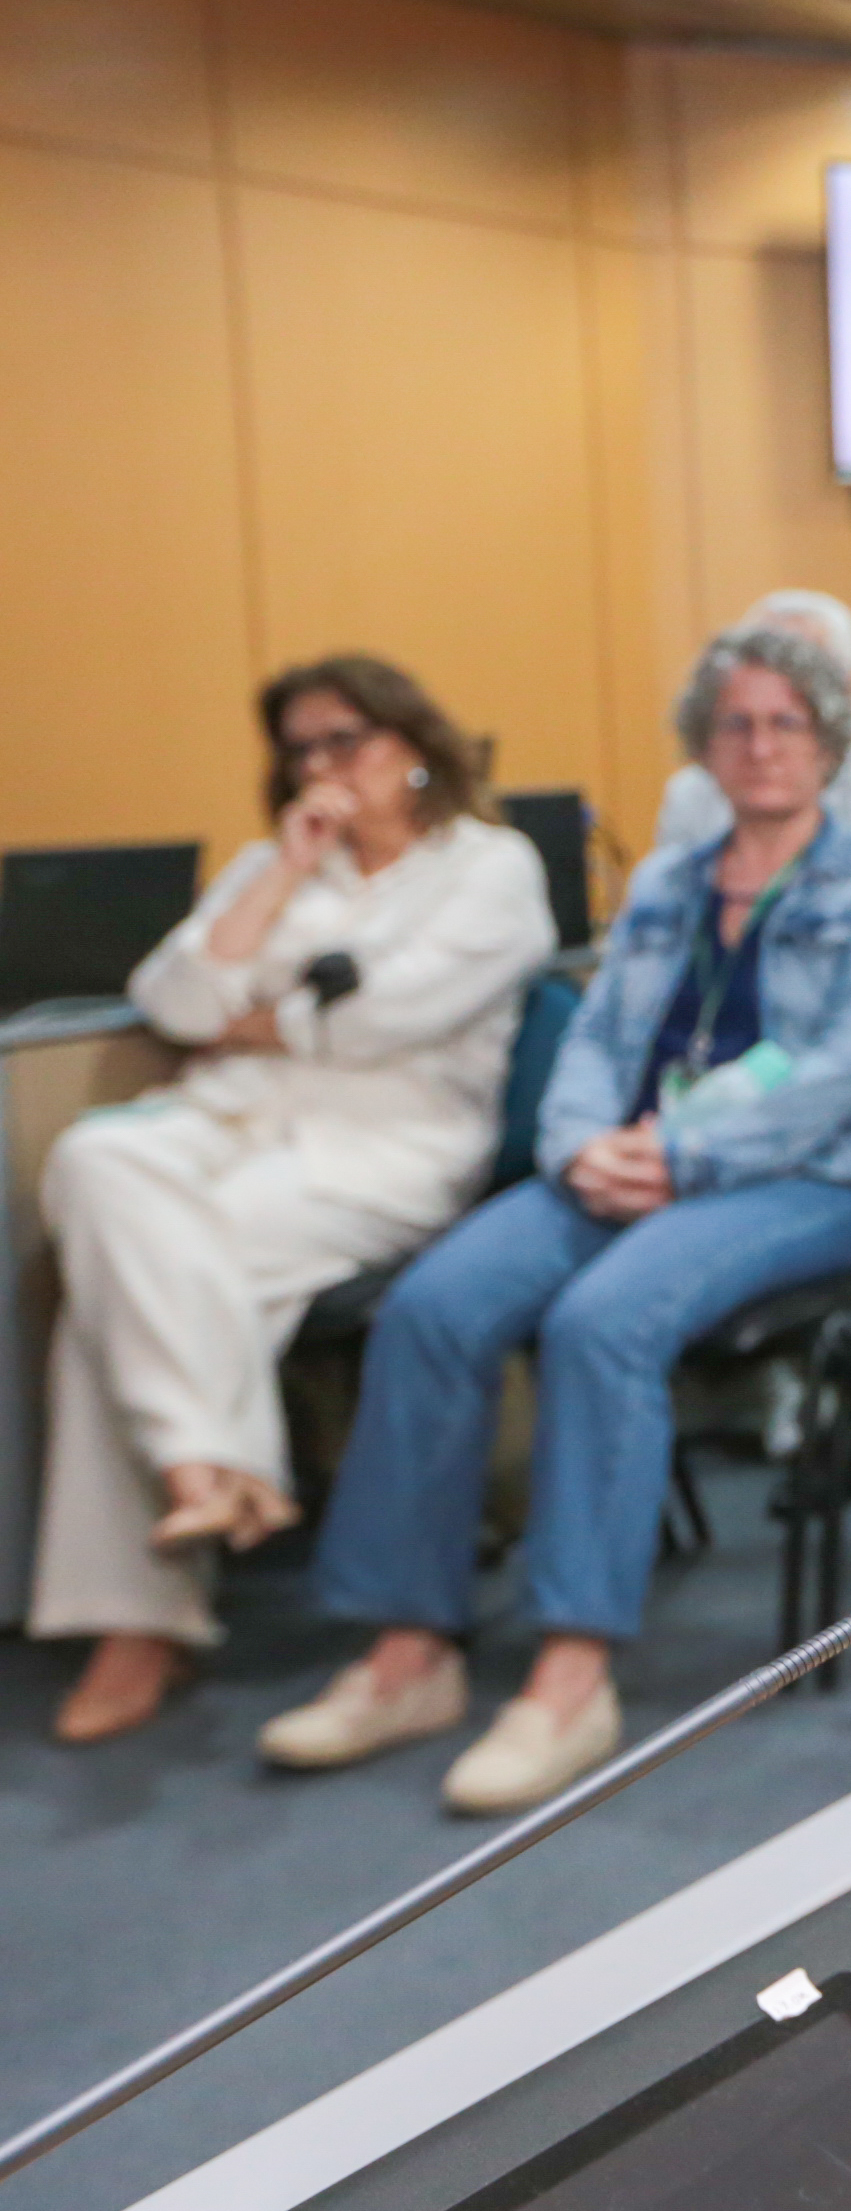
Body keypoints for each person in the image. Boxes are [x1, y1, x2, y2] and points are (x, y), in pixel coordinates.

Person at [264, 625, 851, 1814]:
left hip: (806, 1181)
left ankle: (572, 1676)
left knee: (601, 1321)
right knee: (433, 1304)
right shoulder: (668, 884)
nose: (761, 744)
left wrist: (680, 1153)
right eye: (736, 723)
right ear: (704, 746)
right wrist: (579, 1145)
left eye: (786, 722)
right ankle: (408, 1650)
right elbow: (595, 1039)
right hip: (619, 1162)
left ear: (829, 744)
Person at [28, 659, 553, 1743]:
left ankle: (148, 1610)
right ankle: (217, 1472)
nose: (322, 765)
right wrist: (282, 877)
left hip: (378, 1155)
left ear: (413, 743)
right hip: (225, 1127)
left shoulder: (489, 867)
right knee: (92, 1159)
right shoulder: (274, 864)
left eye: (344, 739)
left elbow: (396, 1015)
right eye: (301, 748)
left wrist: (261, 1018)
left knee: (112, 1300)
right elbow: (172, 999)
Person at [651, 590, 851, 888]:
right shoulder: (691, 794)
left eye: (786, 722)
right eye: (763, 663)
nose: (761, 748)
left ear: (846, 688)